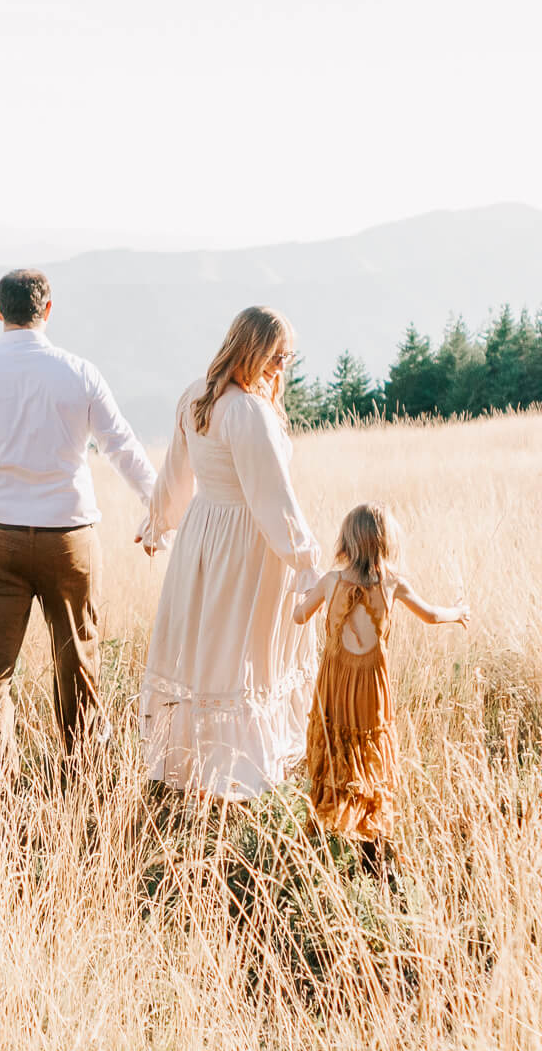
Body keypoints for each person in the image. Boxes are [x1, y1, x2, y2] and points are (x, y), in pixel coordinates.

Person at [0, 268, 156, 769]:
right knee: (79, 666)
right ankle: (86, 782)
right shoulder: (79, 372)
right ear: (48, 310)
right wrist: (157, 507)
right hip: (69, 541)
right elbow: (121, 445)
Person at [137, 305, 321, 800]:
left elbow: (176, 473)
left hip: (202, 534)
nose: (281, 368)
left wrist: (160, 521)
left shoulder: (195, 395)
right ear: (250, 349)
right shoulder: (246, 412)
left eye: (287, 359)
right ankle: (235, 772)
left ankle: (201, 765)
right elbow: (271, 496)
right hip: (247, 543)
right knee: (242, 652)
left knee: (207, 645)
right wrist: (305, 558)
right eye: (275, 357)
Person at [294, 502, 468, 874]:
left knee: (334, 749)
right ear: (386, 543)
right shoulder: (393, 583)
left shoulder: (330, 581)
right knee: (370, 757)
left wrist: (302, 590)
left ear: (346, 542)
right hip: (372, 688)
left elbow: (298, 616)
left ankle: (322, 837)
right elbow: (433, 616)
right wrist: (458, 611)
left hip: (336, 686)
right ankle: (372, 852)